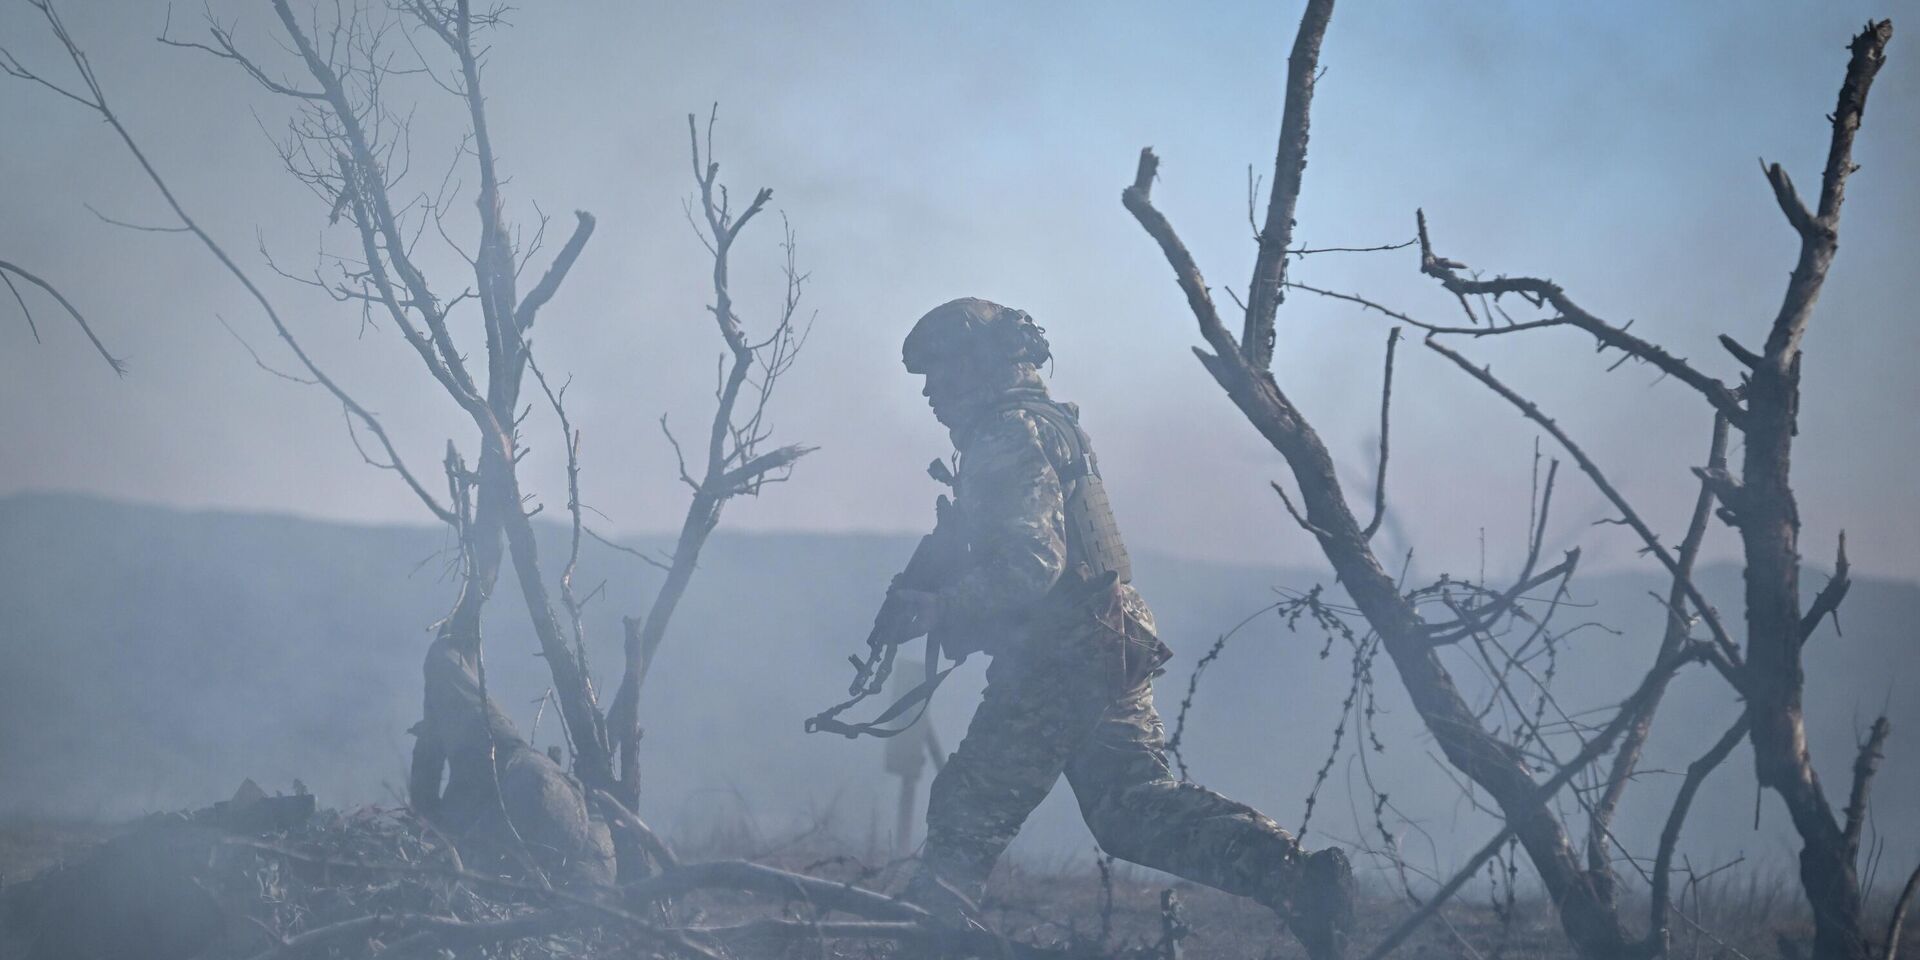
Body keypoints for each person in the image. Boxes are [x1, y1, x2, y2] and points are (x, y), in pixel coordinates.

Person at [879, 297, 1354, 960]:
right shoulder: (1044, 425)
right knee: (1130, 808)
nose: (929, 392)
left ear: (980, 366)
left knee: (968, 807)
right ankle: (1297, 880)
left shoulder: (1007, 435)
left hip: (1064, 650)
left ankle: (922, 943)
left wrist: (946, 610)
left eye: (940, 373)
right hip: (1104, 634)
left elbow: (1033, 562)